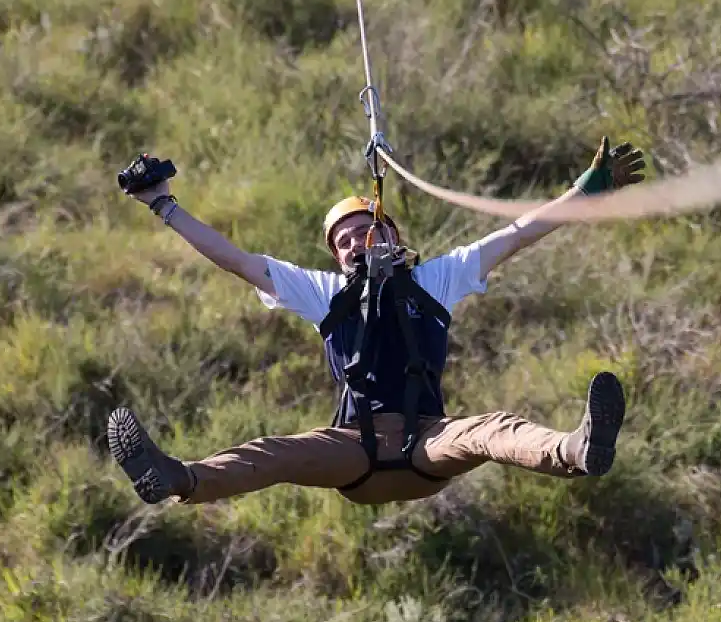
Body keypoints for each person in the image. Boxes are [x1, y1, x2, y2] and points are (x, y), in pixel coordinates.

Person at [105, 137, 647, 507]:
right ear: (335, 257)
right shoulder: (326, 294)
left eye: (364, 230)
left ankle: (576, 449)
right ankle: (178, 478)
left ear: (391, 234)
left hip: (428, 442)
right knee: (276, 453)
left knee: (488, 431)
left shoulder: (436, 279)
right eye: (342, 241)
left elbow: (518, 234)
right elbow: (235, 259)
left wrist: (583, 194)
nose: (354, 243)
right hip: (354, 451)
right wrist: (164, 206)